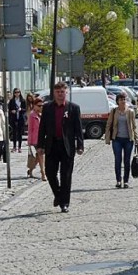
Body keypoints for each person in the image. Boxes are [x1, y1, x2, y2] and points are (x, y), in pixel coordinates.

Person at [36, 82, 84, 213]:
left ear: (66, 92)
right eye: (58, 92)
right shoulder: (47, 108)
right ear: (54, 93)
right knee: (50, 173)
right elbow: (42, 128)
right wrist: (40, 145)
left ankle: (64, 203)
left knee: (66, 175)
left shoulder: (73, 108)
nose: (60, 94)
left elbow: (78, 129)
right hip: (51, 144)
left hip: (67, 145)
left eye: (62, 92)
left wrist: (80, 145)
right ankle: (58, 195)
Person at [105, 93, 138, 188]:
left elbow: (134, 126)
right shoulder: (114, 111)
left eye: (124, 99)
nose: (123, 101)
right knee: (117, 160)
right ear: (117, 101)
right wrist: (107, 138)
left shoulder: (130, 112)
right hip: (117, 139)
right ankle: (118, 180)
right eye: (121, 99)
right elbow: (108, 124)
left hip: (128, 139)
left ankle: (126, 180)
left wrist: (136, 139)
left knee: (127, 161)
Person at [26, 97, 46, 181]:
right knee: (41, 156)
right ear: (34, 106)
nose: (41, 107)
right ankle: (43, 173)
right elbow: (30, 129)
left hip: (43, 138)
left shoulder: (44, 115)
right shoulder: (32, 115)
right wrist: (29, 141)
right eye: (39, 105)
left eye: (42, 106)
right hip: (35, 139)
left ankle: (30, 170)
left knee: (38, 157)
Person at [7, 88, 26, 153]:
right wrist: (12, 111)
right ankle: (14, 147)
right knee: (14, 133)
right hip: (14, 118)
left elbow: (25, 109)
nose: (17, 93)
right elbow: (9, 109)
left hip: (20, 118)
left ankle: (19, 147)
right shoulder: (12, 101)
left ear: (20, 93)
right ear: (14, 93)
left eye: (18, 92)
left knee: (20, 133)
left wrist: (21, 109)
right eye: (15, 92)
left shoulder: (23, 100)